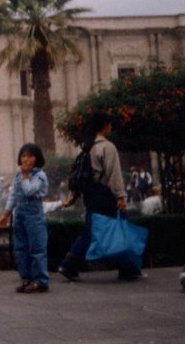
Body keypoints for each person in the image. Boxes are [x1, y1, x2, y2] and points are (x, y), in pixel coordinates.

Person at [58, 110, 141, 282]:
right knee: (116, 229)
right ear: (105, 126)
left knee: (95, 229)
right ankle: (127, 267)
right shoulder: (107, 147)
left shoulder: (87, 148)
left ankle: (70, 264)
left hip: (91, 195)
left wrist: (74, 195)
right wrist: (120, 197)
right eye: (109, 124)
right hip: (105, 194)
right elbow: (114, 174)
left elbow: (81, 175)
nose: (110, 127)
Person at [0, 143, 50, 293]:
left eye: (30, 156)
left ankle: (40, 280)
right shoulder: (17, 176)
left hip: (34, 216)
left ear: (37, 158)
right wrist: (6, 214)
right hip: (19, 216)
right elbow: (13, 195)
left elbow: (30, 191)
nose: (26, 159)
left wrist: (26, 176)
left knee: (37, 249)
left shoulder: (40, 176)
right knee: (21, 248)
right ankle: (26, 278)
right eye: (23, 156)